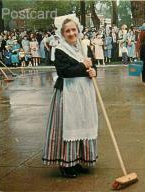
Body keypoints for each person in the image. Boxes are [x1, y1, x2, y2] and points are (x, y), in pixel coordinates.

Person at [42, 14, 98, 178]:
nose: (72, 33)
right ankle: (66, 163)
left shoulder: (85, 47)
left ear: (78, 30)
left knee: (83, 124)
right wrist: (83, 66)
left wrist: (94, 70)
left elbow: (92, 65)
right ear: (62, 33)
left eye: (74, 29)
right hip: (67, 94)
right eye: (68, 31)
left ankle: (78, 160)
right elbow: (64, 72)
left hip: (84, 92)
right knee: (69, 127)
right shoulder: (60, 50)